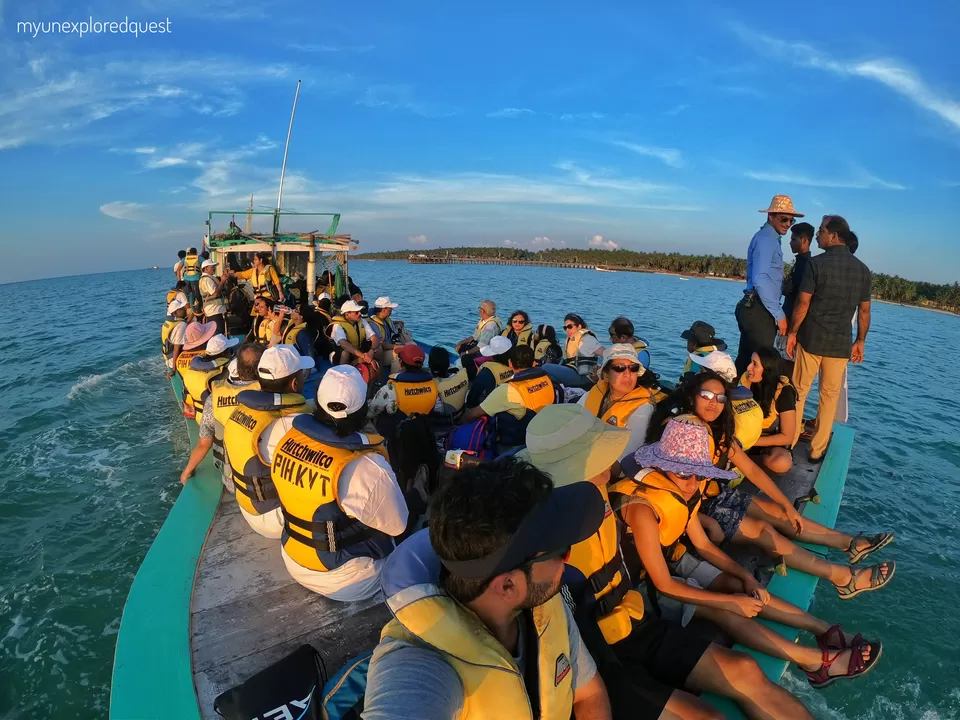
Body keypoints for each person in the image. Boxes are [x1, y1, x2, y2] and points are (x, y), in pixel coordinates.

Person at [520, 405, 811, 719]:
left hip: (634, 618)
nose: (612, 457)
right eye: (600, 451)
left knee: (745, 669)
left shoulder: (597, 487)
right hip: (596, 650)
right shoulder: (543, 535)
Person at [616, 416, 881, 694]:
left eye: (698, 474)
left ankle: (823, 631)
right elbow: (662, 584)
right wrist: (730, 604)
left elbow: (704, 545)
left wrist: (746, 578)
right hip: (638, 585)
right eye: (683, 473)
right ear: (661, 465)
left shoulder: (680, 492)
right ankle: (815, 663)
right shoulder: (643, 508)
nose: (692, 483)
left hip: (672, 560)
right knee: (723, 608)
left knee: (739, 587)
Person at [364, 458, 614, 720]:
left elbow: (589, 694)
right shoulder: (420, 662)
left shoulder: (544, 605)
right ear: (508, 585)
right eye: (561, 552)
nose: (568, 561)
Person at [647, 372, 896, 598]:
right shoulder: (683, 431)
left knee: (779, 513)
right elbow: (672, 489)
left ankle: (848, 543)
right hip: (695, 508)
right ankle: (843, 577)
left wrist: (786, 504)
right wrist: (705, 521)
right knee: (765, 531)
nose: (714, 403)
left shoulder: (718, 432)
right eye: (707, 396)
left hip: (715, 494)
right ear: (692, 397)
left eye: (721, 398)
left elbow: (752, 470)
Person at [271, 365, 409, 600]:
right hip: (348, 581)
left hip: (293, 558)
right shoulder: (367, 465)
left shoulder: (286, 437)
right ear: (364, 407)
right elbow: (398, 526)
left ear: (318, 400)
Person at [786, 215, 872, 462]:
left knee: (799, 391)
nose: (817, 235)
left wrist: (792, 333)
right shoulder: (863, 270)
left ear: (833, 235)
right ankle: (817, 449)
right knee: (829, 397)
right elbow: (864, 311)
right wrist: (861, 341)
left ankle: (790, 442)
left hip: (811, 339)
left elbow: (803, 302)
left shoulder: (816, 264)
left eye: (821, 231)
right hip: (839, 344)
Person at [223, 345, 314, 538]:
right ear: (294, 385)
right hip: (274, 517)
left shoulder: (241, 412)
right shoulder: (291, 427)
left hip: (249, 507)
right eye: (301, 374)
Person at [735, 195, 804, 376]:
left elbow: (765, 277)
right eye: (784, 219)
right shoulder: (767, 239)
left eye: (791, 219)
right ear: (770, 217)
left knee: (746, 363)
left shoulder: (771, 239)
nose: (788, 223)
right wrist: (779, 314)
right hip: (759, 309)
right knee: (759, 367)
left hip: (757, 308)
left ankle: (735, 398)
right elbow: (760, 279)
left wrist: (782, 287)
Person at [181, 342, 261, 488]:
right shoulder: (267, 395)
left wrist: (187, 471)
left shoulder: (214, 398)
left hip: (232, 481)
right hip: (265, 483)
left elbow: (204, 444)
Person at [458, 345, 561, 449]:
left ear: (510, 363)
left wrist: (460, 421)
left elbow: (474, 413)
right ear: (534, 362)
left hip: (520, 441)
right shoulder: (545, 378)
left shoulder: (508, 389)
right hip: (544, 428)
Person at [577, 345, 656, 460]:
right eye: (619, 368)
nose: (628, 374)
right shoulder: (592, 395)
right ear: (606, 375)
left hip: (612, 468)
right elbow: (571, 423)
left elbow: (628, 455)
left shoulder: (642, 409)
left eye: (633, 368)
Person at [740, 347, 799, 474]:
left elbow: (787, 437)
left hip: (765, 442)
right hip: (741, 436)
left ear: (767, 370)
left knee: (782, 462)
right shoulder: (745, 381)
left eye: (755, 364)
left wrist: (751, 442)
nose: (748, 367)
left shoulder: (784, 392)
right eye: (751, 362)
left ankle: (751, 460)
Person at [370, 344, 440, 422]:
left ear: (400, 363)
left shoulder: (390, 389)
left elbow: (372, 412)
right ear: (422, 364)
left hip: (395, 431)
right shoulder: (434, 385)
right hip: (423, 428)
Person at [180, 332, 237, 422]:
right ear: (223, 353)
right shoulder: (218, 375)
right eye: (229, 350)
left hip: (199, 416)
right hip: (213, 422)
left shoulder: (190, 371)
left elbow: (185, 397)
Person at [455, 299, 503, 381]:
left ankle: (472, 378)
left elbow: (481, 346)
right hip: (481, 345)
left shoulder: (490, 326)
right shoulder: (483, 321)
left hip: (487, 351)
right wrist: (460, 343)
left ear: (482, 311)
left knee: (466, 357)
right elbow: (475, 336)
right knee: (461, 347)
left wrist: (466, 353)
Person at [464, 335, 514, 408]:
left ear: (493, 355)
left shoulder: (487, 372)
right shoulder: (519, 367)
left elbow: (472, 400)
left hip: (494, 407)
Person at [328, 299, 379, 368]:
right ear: (347, 314)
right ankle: (342, 372)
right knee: (345, 352)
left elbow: (374, 337)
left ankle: (380, 377)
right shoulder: (338, 326)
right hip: (341, 356)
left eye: (359, 311)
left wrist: (371, 351)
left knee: (378, 349)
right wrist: (363, 356)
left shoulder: (362, 322)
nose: (360, 313)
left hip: (358, 352)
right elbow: (343, 344)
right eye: (356, 312)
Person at [781, 221, 815, 322]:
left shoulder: (806, 266)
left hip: (792, 321)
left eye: (793, 239)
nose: (790, 243)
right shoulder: (800, 263)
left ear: (804, 240)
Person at [429, 345, 469, 420]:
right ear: (448, 364)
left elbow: (436, 409)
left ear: (430, 364)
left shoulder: (433, 386)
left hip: (445, 419)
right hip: (460, 412)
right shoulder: (460, 375)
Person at [199, 259, 231, 334]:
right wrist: (222, 281)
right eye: (212, 267)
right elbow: (215, 293)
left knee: (221, 332)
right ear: (206, 268)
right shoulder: (206, 279)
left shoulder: (209, 278)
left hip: (216, 310)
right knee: (218, 333)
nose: (214, 268)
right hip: (214, 311)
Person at [369, 296, 401, 372]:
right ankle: (394, 378)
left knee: (411, 345)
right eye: (390, 308)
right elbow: (382, 345)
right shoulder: (373, 324)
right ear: (384, 309)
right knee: (398, 354)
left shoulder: (386, 320)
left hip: (389, 347)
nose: (391, 310)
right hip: (382, 353)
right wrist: (399, 347)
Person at [162, 296, 189, 373]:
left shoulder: (168, 323)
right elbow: (177, 347)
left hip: (168, 357)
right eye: (181, 309)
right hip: (174, 359)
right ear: (175, 313)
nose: (184, 309)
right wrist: (174, 368)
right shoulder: (181, 325)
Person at [182, 246, 203, 314]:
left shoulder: (185, 258)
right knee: (197, 295)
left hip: (186, 279)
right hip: (195, 279)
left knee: (189, 294)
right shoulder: (199, 258)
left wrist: (179, 279)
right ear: (196, 252)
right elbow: (206, 263)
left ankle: (192, 310)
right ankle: (198, 310)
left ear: (189, 253)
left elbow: (178, 269)